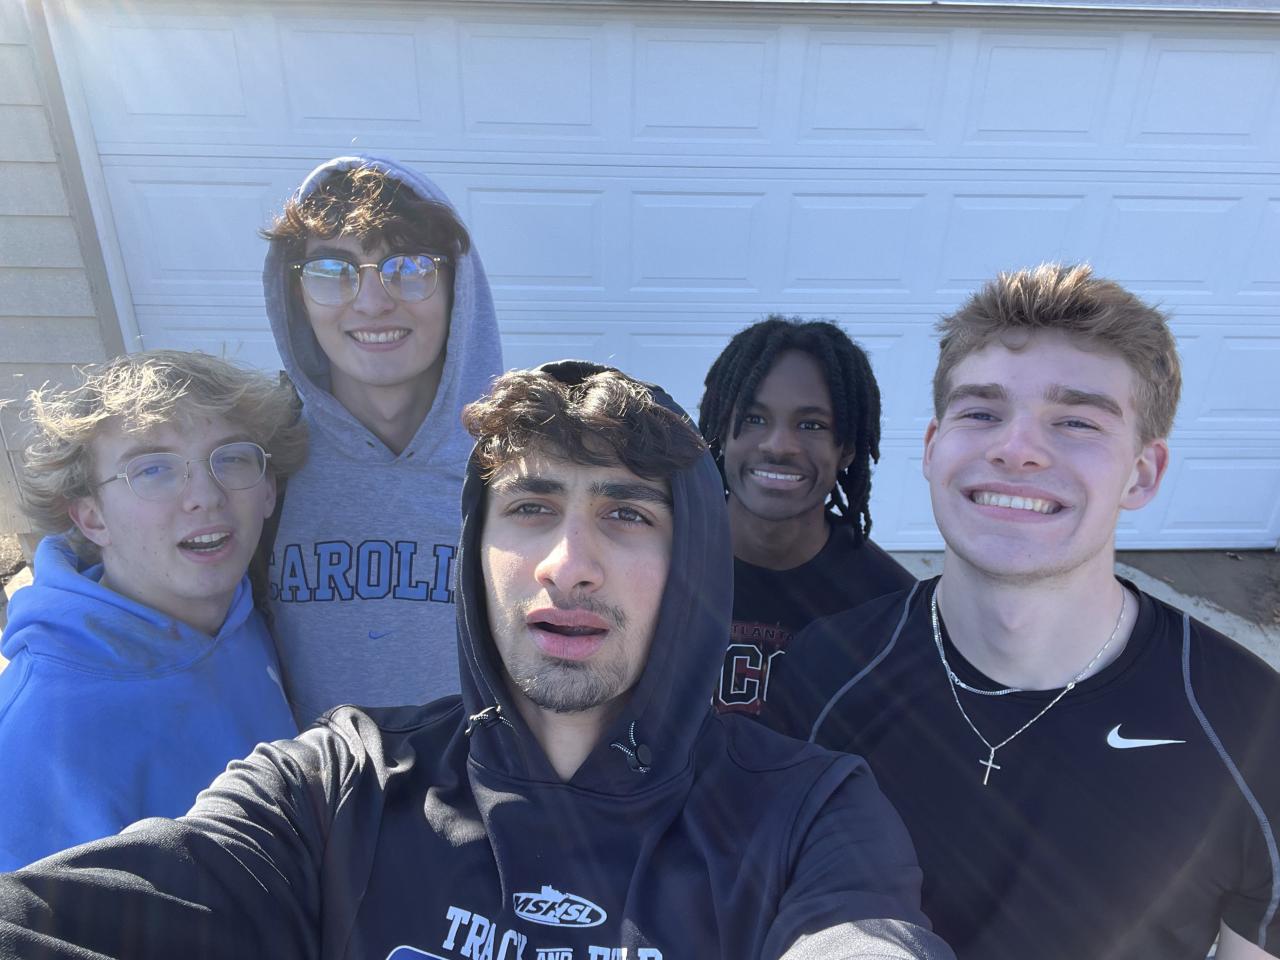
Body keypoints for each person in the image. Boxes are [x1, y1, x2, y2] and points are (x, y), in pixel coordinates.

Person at [0, 362, 954, 960]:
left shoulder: (808, 814)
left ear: (692, 562)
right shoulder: (339, 788)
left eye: (626, 514)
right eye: (531, 509)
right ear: (475, 551)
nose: (568, 565)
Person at [759, 265, 1280, 960]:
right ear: (932, 447)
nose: (1016, 449)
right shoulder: (824, 672)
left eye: (1077, 421)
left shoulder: (1253, 727)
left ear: (1143, 473)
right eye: (981, 412)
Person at [0, 350, 305, 871]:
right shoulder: (44, 726)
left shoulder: (246, 614)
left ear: (269, 491)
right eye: (154, 469)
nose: (205, 496)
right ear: (92, 518)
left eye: (231, 458)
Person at [260, 154, 502, 724]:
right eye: (332, 270)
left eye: (409, 266)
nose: (371, 302)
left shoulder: (521, 462)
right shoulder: (257, 464)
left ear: (456, 288)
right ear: (297, 296)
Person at [697, 317, 913, 716]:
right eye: (754, 418)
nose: (779, 446)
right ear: (721, 431)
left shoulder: (889, 605)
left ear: (847, 449)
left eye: (811, 425)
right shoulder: (660, 564)